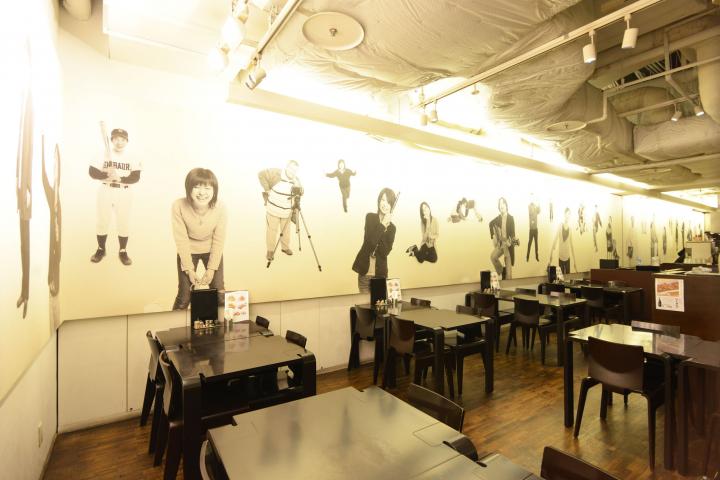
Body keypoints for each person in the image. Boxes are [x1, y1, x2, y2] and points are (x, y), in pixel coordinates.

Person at [171, 168, 226, 310]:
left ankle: (222, 323)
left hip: (212, 250)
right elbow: (181, 240)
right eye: (197, 187)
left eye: (207, 188)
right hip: (188, 250)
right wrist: (189, 270)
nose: (202, 193)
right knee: (184, 296)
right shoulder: (178, 205)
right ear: (188, 188)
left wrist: (211, 269)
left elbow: (219, 240)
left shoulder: (220, 207)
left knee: (219, 294)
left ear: (214, 190)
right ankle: (173, 323)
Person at [88, 122, 141, 265]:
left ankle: (123, 251)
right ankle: (101, 249)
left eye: (122, 139)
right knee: (102, 221)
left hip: (124, 192)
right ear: (111, 140)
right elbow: (92, 172)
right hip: (105, 189)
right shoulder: (102, 154)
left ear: (127, 141)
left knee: (123, 221)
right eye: (116, 138)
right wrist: (105, 175)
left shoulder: (132, 156)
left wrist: (121, 178)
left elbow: (136, 177)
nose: (119, 142)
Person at [352, 188, 397, 293]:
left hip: (380, 274)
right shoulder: (370, 218)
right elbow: (370, 243)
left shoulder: (392, 228)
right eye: (383, 200)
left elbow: (384, 252)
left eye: (388, 202)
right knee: (365, 303)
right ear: (379, 201)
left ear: (392, 206)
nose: (385, 204)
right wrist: (382, 225)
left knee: (378, 304)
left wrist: (386, 227)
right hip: (364, 272)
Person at [258, 160, 301, 261]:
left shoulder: (296, 180)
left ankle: (285, 248)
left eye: (295, 170)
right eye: (291, 169)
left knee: (286, 231)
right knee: (272, 231)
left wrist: (298, 186)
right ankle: (270, 251)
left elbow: (300, 193)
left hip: (286, 211)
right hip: (273, 209)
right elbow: (261, 174)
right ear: (287, 167)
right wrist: (267, 189)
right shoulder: (276, 173)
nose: (292, 172)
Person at [489, 197, 516, 280]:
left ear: (506, 205)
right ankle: (501, 271)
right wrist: (493, 237)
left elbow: (513, 233)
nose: (501, 206)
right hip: (501, 245)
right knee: (493, 257)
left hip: (508, 246)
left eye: (503, 203)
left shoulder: (510, 218)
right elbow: (490, 224)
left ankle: (507, 273)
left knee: (509, 276)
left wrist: (511, 241)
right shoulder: (498, 218)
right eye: (500, 204)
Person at [548, 207, 576, 275]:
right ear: (564, 214)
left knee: (568, 279)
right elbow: (555, 240)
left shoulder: (570, 229)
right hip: (561, 258)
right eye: (567, 214)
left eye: (569, 214)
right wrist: (550, 255)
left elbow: (572, 245)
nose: (568, 216)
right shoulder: (560, 226)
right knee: (561, 279)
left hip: (567, 258)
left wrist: (575, 261)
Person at [526, 196, 540, 262]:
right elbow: (531, 213)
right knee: (530, 243)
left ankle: (537, 256)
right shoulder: (529, 206)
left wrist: (539, 206)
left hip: (535, 229)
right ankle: (527, 256)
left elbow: (538, 211)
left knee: (536, 243)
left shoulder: (535, 206)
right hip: (531, 229)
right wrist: (535, 208)